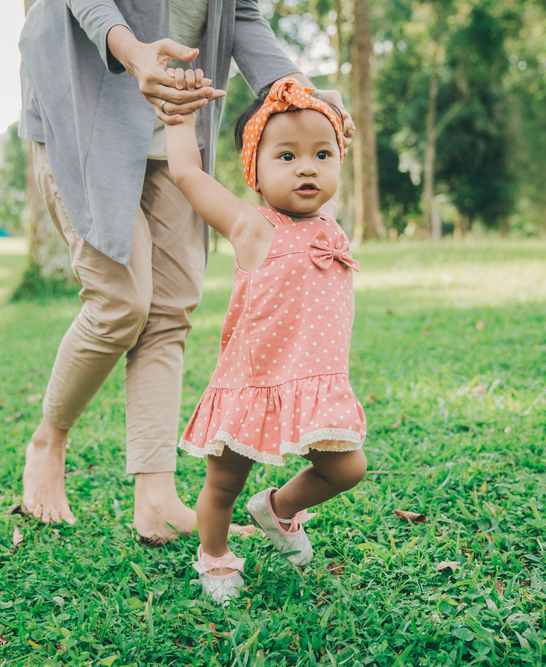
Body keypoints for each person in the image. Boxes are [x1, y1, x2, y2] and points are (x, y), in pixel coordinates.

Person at [16, 0, 354, 541]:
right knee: (121, 303)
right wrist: (130, 51)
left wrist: (299, 88)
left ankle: (155, 500)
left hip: (177, 115)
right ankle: (49, 439)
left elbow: (240, 11)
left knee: (171, 308)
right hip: (86, 103)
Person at [162, 72, 368, 603]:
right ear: (253, 169)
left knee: (347, 467)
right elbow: (186, 174)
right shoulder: (252, 226)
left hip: (314, 387)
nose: (307, 167)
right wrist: (178, 118)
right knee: (224, 485)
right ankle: (214, 557)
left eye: (323, 155)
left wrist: (334, 112)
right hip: (251, 385)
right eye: (286, 157)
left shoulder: (330, 222)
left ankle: (276, 509)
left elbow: (337, 135)